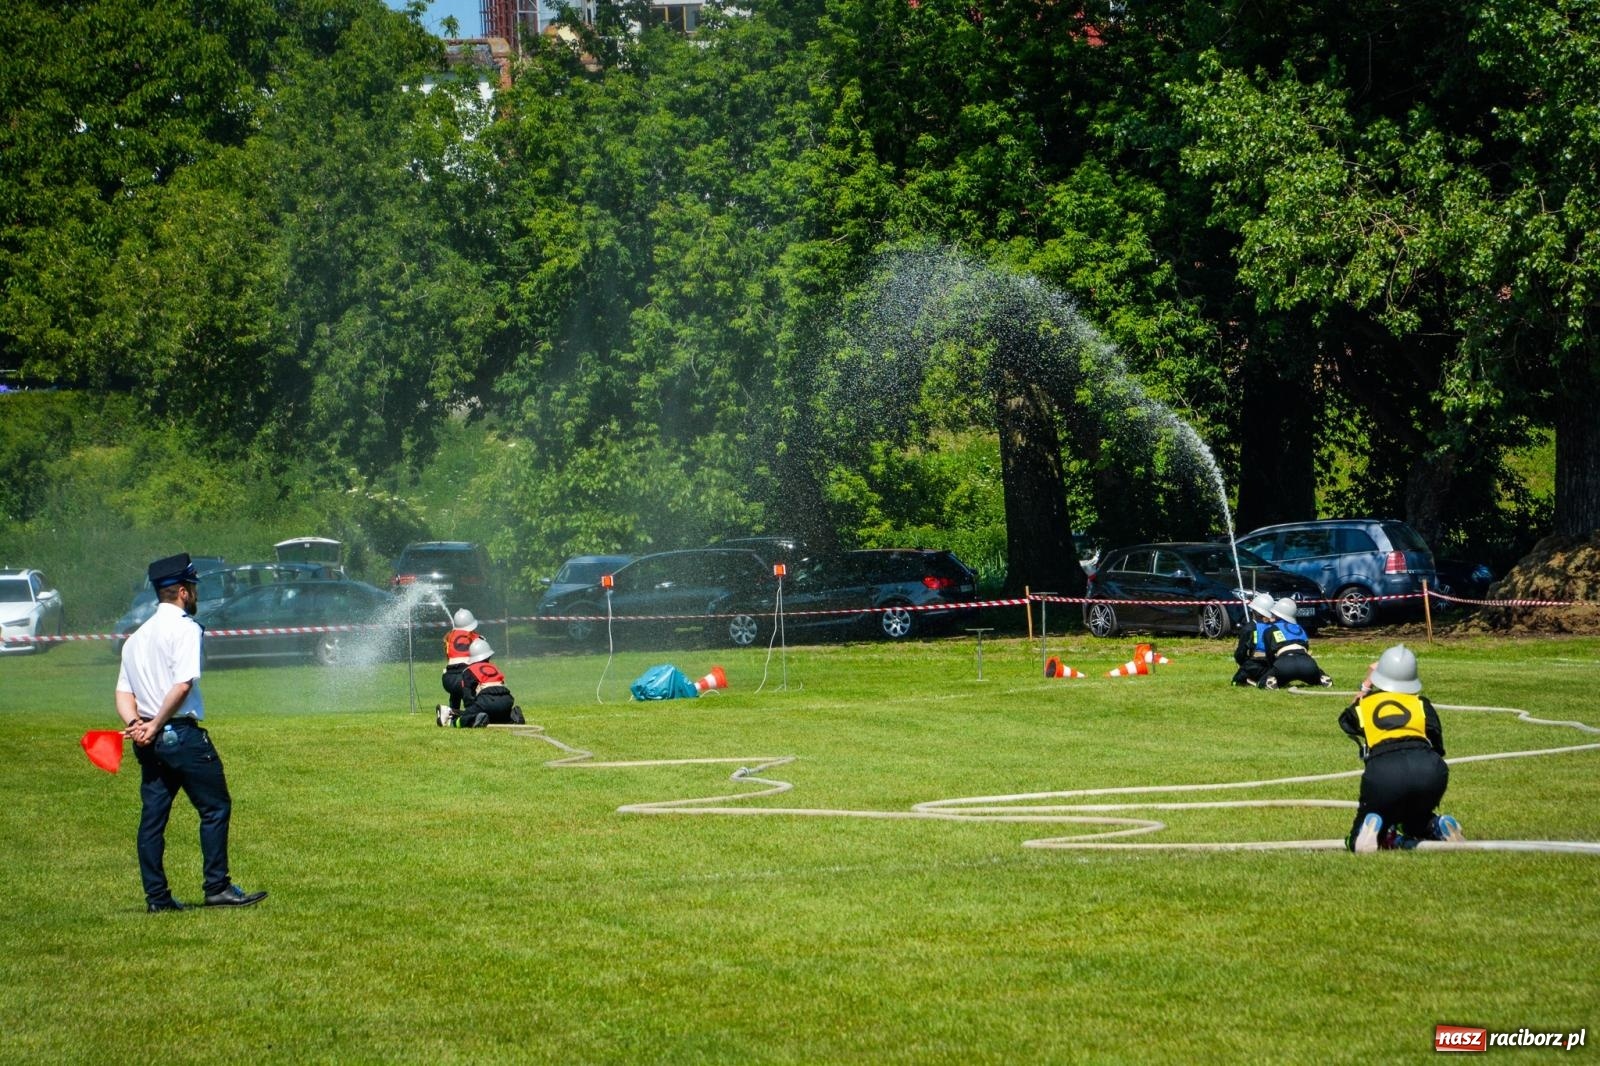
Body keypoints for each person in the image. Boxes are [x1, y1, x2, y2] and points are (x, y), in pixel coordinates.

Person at [115, 553, 267, 911]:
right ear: (183, 591)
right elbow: (182, 684)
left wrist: (137, 725)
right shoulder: (185, 629)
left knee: (153, 820)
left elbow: (123, 693)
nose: (195, 594)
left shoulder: (136, 638)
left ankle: (157, 898)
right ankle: (217, 887)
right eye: (193, 588)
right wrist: (155, 724)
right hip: (179, 735)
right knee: (215, 808)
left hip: (149, 740)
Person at [1337, 644, 1466, 853]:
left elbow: (1346, 721)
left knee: (1360, 834)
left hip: (1384, 773)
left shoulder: (1364, 705)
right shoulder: (1421, 704)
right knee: (1414, 820)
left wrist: (1366, 688)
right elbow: (1437, 744)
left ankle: (1374, 829)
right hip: (1430, 770)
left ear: (1380, 675)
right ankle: (1436, 825)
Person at [440, 638, 524, 728]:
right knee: (498, 716)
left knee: (467, 716)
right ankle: (513, 717)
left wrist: (470, 711)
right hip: (507, 700)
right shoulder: (494, 667)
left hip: (486, 700)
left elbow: (468, 697)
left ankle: (460, 722)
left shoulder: (468, 670)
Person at [1257, 598, 1332, 689]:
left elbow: (1269, 656)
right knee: (1313, 675)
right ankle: (1321, 677)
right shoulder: (1300, 628)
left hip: (1284, 665)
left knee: (1262, 682)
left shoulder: (1270, 630)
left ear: (1277, 615)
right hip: (1307, 664)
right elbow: (1306, 647)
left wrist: (1272, 670)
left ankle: (1271, 681)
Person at [439, 607, 480, 718]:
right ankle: (472, 714)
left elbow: (449, 657)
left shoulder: (448, 637)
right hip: (466, 680)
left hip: (448, 680)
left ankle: (450, 713)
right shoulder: (477, 638)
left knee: (455, 692)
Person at [1231, 592, 1277, 686]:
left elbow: (1240, 654)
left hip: (1254, 665)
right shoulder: (1275, 627)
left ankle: (1251, 680)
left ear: (1254, 611)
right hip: (1272, 666)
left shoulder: (1249, 628)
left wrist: (1244, 664)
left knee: (1236, 682)